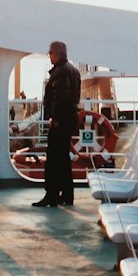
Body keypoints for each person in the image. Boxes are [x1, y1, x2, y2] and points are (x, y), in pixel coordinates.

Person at [33, 40, 81, 208]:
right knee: (63, 160)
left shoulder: (61, 72)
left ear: (57, 54)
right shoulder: (73, 71)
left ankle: (51, 195)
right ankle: (67, 195)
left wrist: (55, 119)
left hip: (61, 122)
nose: (49, 56)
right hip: (69, 120)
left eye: (50, 53)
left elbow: (61, 98)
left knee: (53, 159)